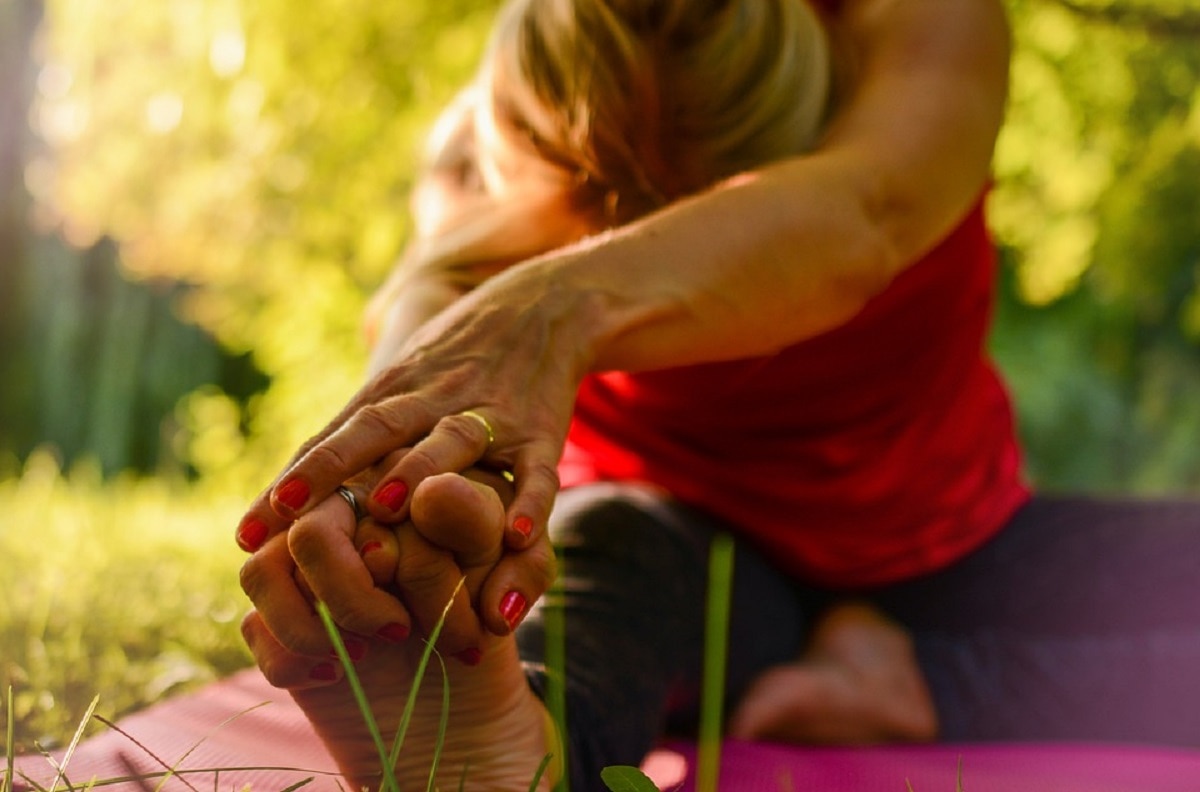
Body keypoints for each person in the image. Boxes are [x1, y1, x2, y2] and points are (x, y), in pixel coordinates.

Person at [236, 0, 1200, 790]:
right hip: (682, 545)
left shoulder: (920, 28)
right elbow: (429, 312)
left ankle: (915, 683)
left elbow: (865, 215)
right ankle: (504, 750)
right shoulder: (497, 128)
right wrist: (385, 510)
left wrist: (548, 305)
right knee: (605, 580)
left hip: (955, 545)